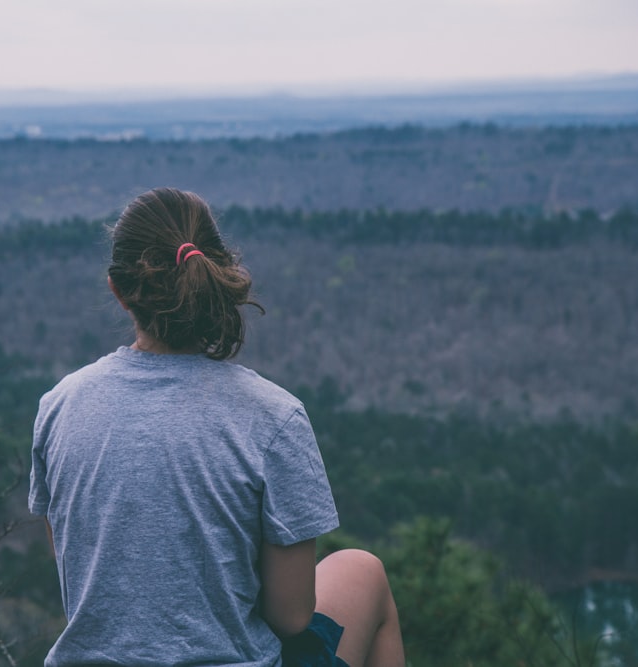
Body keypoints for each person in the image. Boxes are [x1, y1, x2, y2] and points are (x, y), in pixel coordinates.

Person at [29, 188, 404, 667]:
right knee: (362, 570)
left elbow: (77, 568)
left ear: (118, 291)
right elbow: (290, 617)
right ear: (218, 275)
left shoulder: (59, 406)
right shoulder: (275, 416)